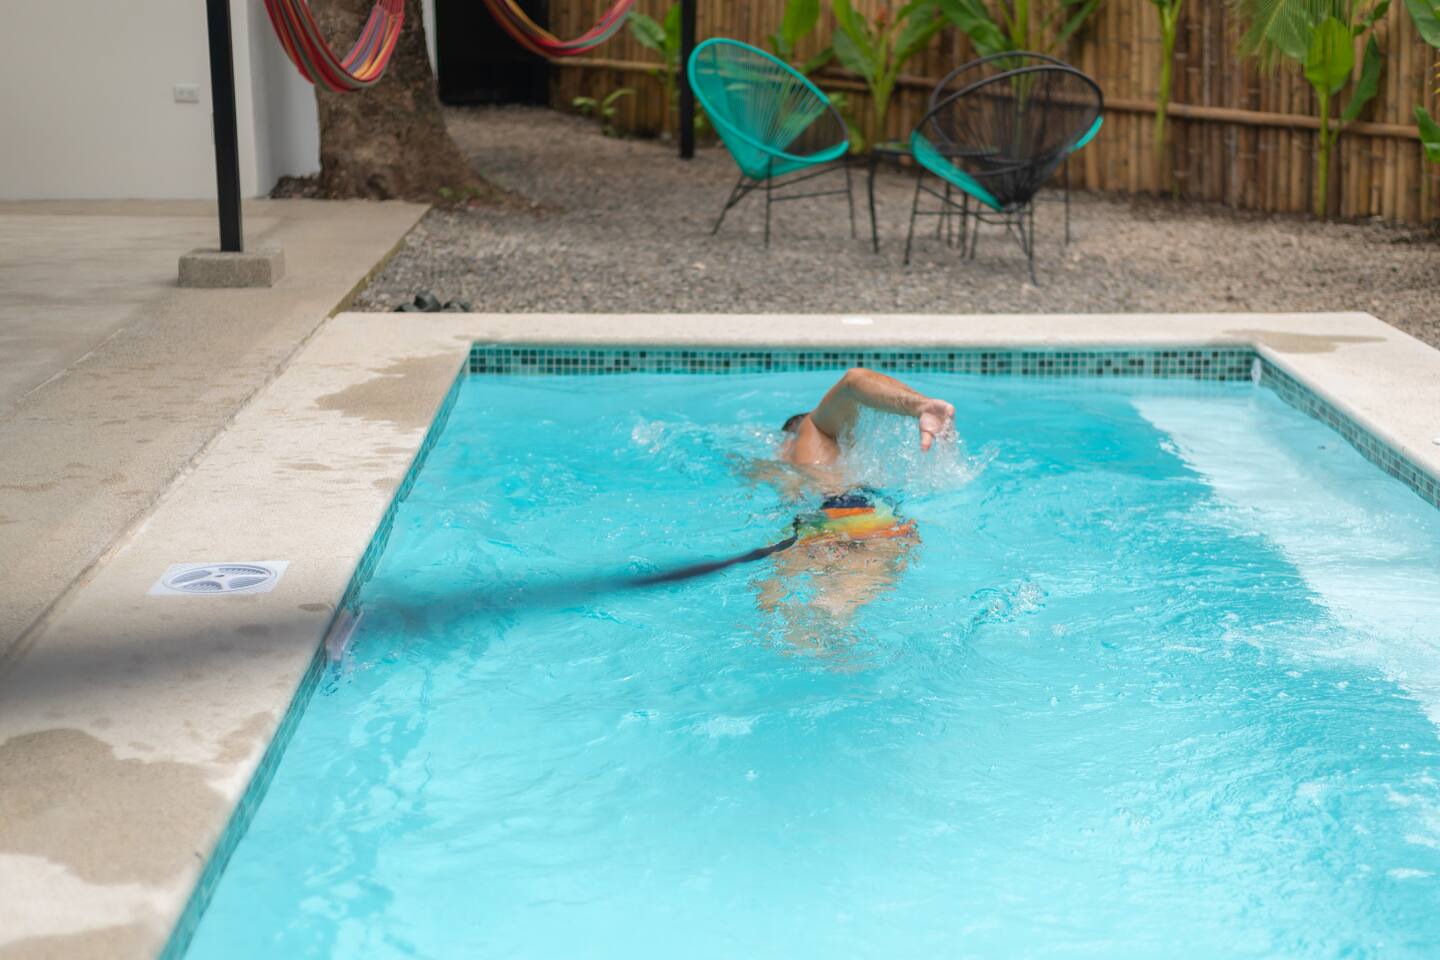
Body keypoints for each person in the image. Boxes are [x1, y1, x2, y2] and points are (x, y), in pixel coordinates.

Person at [753, 368, 956, 652]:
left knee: (777, 615)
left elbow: (853, 380)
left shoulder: (807, 436)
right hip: (871, 518)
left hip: (821, 522)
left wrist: (921, 406)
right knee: (834, 610)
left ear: (788, 438)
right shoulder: (798, 458)